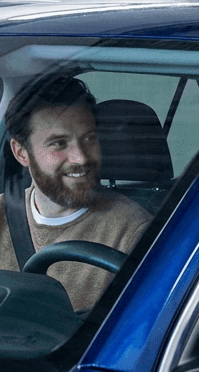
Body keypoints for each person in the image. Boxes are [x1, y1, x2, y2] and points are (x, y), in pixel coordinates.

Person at [0, 75, 152, 311]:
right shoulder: (2, 213)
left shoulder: (132, 233)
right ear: (21, 153)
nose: (81, 157)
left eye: (89, 138)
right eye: (59, 143)